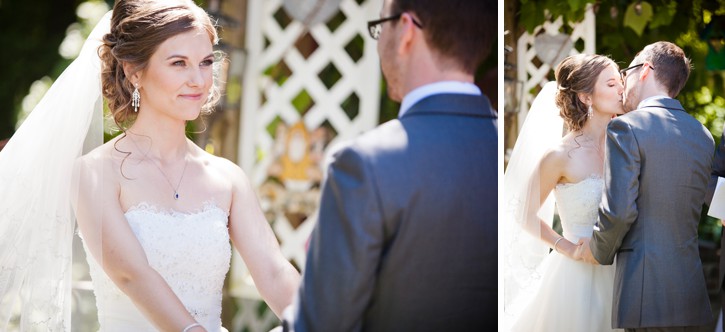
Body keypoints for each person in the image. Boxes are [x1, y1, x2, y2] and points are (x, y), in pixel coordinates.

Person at [0, 1, 300, 331]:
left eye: (205, 62)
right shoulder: (95, 172)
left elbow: (273, 271)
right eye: (178, 63)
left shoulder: (227, 177)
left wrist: (322, 317)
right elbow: (131, 274)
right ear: (134, 71)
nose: (198, 80)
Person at [280, 0, 497, 330]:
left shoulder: (365, 165)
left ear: (407, 31)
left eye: (381, 27)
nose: (380, 41)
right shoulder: (507, 153)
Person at [582, 41, 714, 331]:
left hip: (644, 295)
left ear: (644, 71)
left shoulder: (627, 127)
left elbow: (618, 212)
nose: (623, 83)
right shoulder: (702, 135)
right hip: (692, 296)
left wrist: (595, 251)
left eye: (626, 71)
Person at [502, 54, 624, 331]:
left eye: (621, 81)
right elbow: (523, 213)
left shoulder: (626, 146)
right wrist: (566, 247)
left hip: (622, 273)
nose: (621, 89)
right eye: (611, 83)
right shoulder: (560, 155)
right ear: (586, 97)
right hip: (576, 278)